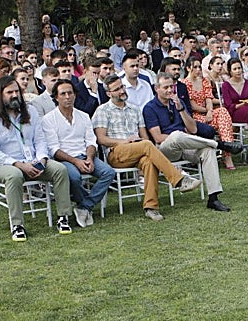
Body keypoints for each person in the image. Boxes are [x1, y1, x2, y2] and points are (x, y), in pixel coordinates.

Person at [92, 75, 201, 222]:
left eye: (122, 87)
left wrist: (138, 142)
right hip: (116, 152)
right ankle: (179, 179)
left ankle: (151, 208)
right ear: (108, 93)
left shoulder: (135, 109)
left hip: (138, 149)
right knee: (147, 145)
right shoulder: (102, 110)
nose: (122, 90)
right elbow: (101, 139)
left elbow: (144, 137)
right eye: (117, 89)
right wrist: (125, 141)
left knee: (148, 161)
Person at [0, 76, 74, 240]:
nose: (15, 95)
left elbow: (40, 140)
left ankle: (63, 217)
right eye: (10, 92)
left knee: (59, 169)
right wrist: (19, 165)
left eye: (17, 91)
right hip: (4, 164)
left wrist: (42, 160)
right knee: (14, 176)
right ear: (0, 95)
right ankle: (17, 225)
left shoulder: (30, 112)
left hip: (33, 160)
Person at [141, 74, 234, 212]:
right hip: (165, 149)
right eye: (165, 87)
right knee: (177, 135)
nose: (169, 90)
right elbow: (158, 138)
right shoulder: (149, 108)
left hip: (186, 144)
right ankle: (219, 144)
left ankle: (213, 198)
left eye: (171, 87)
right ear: (156, 88)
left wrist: (181, 109)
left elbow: (193, 129)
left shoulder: (178, 103)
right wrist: (180, 136)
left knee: (208, 151)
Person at [41, 79, 115, 229]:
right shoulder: (48, 119)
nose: (67, 96)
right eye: (63, 94)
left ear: (75, 95)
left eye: (70, 93)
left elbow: (91, 141)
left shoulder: (83, 116)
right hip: (64, 159)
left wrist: (89, 158)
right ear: (56, 97)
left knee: (109, 172)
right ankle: (85, 205)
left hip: (85, 155)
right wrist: (76, 162)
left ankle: (84, 206)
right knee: (74, 177)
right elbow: (54, 149)